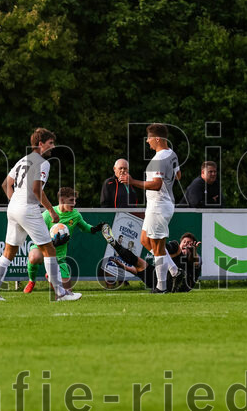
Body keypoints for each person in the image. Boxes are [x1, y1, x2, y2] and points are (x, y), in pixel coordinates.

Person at [0, 128, 82, 302]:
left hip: (13, 208)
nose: (53, 147)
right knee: (49, 249)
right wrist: (51, 210)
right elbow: (36, 189)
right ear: (40, 144)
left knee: (8, 252)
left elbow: (5, 184)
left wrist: (15, 202)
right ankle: (60, 293)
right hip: (28, 208)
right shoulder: (43, 162)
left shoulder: (23, 160)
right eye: (50, 143)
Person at [119, 123, 181, 293]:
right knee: (145, 240)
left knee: (158, 246)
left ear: (158, 138)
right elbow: (178, 175)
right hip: (160, 204)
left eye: (150, 138)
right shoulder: (171, 154)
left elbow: (156, 184)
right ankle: (175, 271)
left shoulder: (160, 158)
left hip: (159, 205)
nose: (148, 142)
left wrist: (132, 182)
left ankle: (161, 286)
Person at [23, 187, 107, 294]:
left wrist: (95, 228)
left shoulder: (75, 215)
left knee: (68, 292)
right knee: (34, 257)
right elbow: (36, 235)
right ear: (62, 200)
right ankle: (32, 281)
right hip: (43, 248)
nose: (74, 203)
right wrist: (51, 243)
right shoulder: (48, 215)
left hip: (59, 256)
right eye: (71, 200)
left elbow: (85, 227)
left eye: (75, 200)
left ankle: (51, 276)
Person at [104, 229, 201, 292]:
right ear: (181, 243)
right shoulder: (174, 249)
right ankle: (115, 244)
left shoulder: (195, 257)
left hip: (181, 286)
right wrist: (124, 267)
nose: (187, 245)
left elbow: (195, 262)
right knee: (139, 264)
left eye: (189, 243)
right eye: (185, 242)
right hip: (159, 280)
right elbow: (139, 271)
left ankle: (160, 246)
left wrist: (193, 251)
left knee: (170, 248)